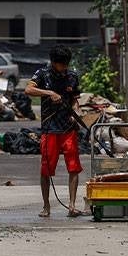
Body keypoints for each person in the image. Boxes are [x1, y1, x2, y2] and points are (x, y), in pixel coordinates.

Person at [24, 45, 83, 217]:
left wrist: (76, 112)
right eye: (61, 65)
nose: (64, 68)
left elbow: (74, 100)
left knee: (74, 168)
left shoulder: (72, 76)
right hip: (50, 129)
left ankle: (72, 205)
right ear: (53, 62)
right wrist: (49, 92)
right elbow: (28, 89)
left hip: (68, 129)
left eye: (66, 65)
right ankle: (46, 206)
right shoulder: (42, 74)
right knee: (46, 170)